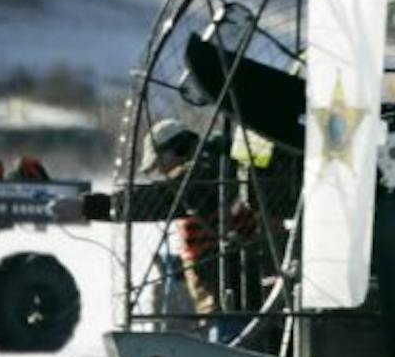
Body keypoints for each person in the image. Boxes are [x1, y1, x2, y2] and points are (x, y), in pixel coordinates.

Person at [53, 118, 261, 335]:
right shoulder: (212, 166)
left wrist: (90, 207)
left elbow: (156, 200)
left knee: (232, 338)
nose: (161, 171)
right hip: (228, 293)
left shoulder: (204, 173)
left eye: (159, 163)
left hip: (236, 294)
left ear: (174, 150)